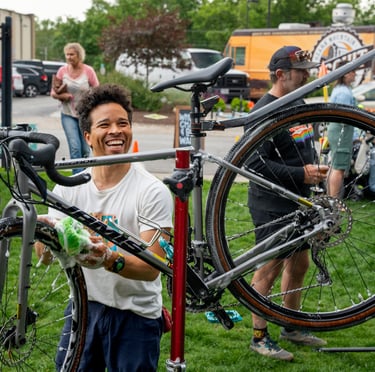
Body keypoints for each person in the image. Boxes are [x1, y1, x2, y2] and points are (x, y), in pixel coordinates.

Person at [42, 83, 174, 371]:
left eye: (123, 123)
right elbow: (45, 256)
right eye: (105, 124)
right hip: (83, 306)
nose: (116, 130)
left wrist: (107, 258)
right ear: (88, 136)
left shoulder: (151, 190)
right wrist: (42, 233)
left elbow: (154, 265)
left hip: (135, 315)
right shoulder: (68, 190)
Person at [245, 46, 329, 361]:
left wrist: (314, 176)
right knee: (269, 268)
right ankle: (259, 336)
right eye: (301, 71)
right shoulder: (262, 111)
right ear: (281, 74)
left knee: (299, 264)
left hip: (300, 201)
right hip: (272, 203)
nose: (307, 75)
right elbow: (253, 164)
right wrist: (299, 174)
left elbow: (304, 146)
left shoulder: (297, 103)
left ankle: (290, 326)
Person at [51, 42, 99, 174]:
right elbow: (53, 93)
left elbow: (97, 90)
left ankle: (86, 175)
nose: (68, 57)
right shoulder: (62, 71)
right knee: (75, 147)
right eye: (67, 54)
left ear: (79, 55)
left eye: (71, 54)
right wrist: (63, 95)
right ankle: (77, 181)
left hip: (85, 115)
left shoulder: (88, 71)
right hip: (67, 114)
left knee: (85, 149)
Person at [327, 61, 357, 198]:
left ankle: (331, 198)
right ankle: (334, 201)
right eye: (352, 71)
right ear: (345, 74)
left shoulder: (339, 89)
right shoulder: (344, 93)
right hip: (342, 132)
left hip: (337, 131)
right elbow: (345, 117)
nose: (355, 74)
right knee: (338, 168)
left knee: (335, 166)